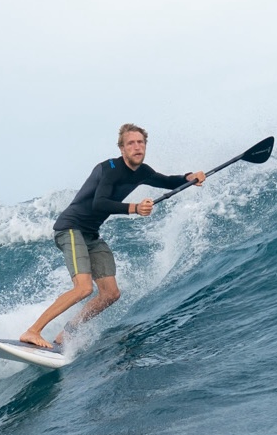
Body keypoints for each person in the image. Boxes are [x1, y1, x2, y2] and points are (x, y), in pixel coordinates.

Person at [20, 124, 205, 349]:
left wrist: (190, 176)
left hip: (90, 234)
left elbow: (167, 181)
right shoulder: (109, 169)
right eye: (131, 143)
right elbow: (100, 203)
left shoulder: (143, 171)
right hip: (70, 228)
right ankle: (32, 331)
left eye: (141, 142)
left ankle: (66, 334)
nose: (137, 147)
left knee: (110, 293)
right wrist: (135, 208)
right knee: (84, 288)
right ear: (121, 149)